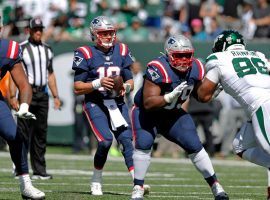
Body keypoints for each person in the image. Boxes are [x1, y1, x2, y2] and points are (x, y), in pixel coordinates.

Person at [130, 34, 228, 200]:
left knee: (194, 144)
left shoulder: (197, 66)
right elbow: (148, 102)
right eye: (178, 56)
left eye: (186, 55)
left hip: (173, 113)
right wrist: (168, 97)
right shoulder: (158, 67)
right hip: (147, 114)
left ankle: (216, 186)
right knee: (144, 144)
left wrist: (211, 94)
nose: (183, 60)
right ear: (168, 54)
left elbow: (199, 96)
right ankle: (138, 187)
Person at [196, 29, 270, 199]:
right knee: (240, 146)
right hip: (261, 104)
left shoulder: (217, 59)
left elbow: (203, 96)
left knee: (267, 148)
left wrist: (217, 86)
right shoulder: (257, 55)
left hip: (261, 105)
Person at [71, 15, 136, 196]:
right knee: (106, 142)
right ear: (94, 35)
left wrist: (126, 87)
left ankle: (137, 183)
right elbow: (77, 88)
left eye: (110, 33)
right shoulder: (85, 53)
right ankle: (96, 178)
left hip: (117, 102)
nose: (108, 36)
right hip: (95, 103)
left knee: (126, 141)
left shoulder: (122, 50)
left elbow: (130, 79)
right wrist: (98, 83)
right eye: (104, 33)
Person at [9, 17, 61, 180]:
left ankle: (39, 170)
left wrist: (56, 95)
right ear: (29, 31)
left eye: (40, 29)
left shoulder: (48, 49)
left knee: (40, 133)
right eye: (35, 29)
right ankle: (20, 169)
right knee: (23, 132)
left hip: (42, 94)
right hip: (26, 93)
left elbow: (50, 74)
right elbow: (12, 74)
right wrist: (12, 96)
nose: (38, 32)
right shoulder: (21, 48)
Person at [0, 16, 45, 199]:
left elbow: (24, 84)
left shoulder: (8, 48)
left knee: (16, 136)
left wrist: (24, 105)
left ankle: (25, 185)